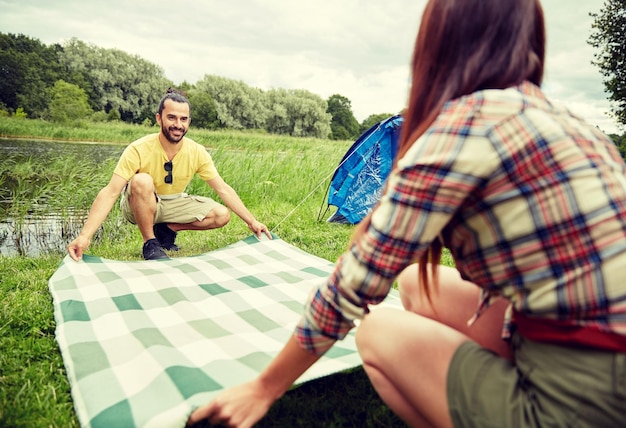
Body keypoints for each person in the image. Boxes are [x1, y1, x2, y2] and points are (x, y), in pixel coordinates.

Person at [188, 0, 626, 426]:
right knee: (417, 280)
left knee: (376, 330)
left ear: (440, 42)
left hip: (584, 397)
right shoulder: (572, 124)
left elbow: (350, 289)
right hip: (590, 348)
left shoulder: (464, 125)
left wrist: (265, 387)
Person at [68, 88, 271, 261]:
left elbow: (223, 189)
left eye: (183, 119)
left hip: (172, 202)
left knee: (221, 215)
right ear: (159, 118)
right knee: (141, 180)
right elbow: (110, 192)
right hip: (138, 203)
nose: (178, 124)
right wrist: (85, 237)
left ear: (189, 122)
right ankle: (150, 243)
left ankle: (166, 230)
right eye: (171, 117)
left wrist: (252, 222)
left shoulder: (197, 151)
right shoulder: (138, 148)